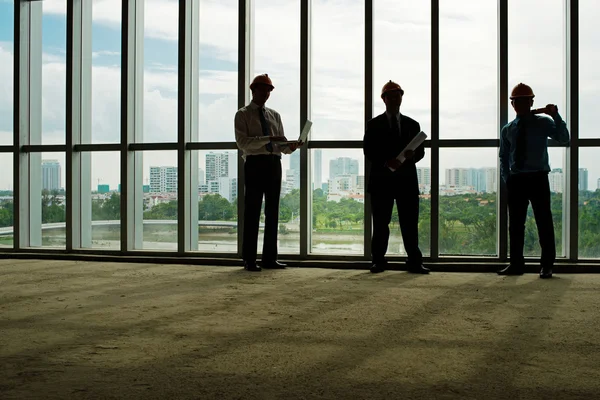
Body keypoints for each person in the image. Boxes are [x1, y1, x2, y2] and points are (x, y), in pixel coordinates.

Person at [498, 83, 570, 278]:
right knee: (516, 225)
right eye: (516, 101)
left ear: (531, 102)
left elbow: (564, 138)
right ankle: (516, 265)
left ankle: (547, 265)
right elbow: (503, 156)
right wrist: (508, 178)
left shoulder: (543, 122)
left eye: (524, 100)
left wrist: (555, 115)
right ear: (512, 104)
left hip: (538, 178)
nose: (520, 104)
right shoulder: (508, 129)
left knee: (544, 222)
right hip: (517, 181)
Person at [235, 74, 301, 272]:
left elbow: (280, 146)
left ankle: (269, 259)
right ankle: (249, 260)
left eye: (269, 91)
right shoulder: (242, 114)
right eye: (263, 90)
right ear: (253, 90)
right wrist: (268, 138)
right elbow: (243, 143)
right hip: (254, 164)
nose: (266, 94)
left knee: (273, 211)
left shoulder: (275, 115)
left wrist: (291, 147)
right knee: (252, 211)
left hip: (274, 163)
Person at [363, 80, 429, 274]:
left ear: (401, 97)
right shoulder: (373, 125)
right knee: (381, 224)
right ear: (383, 99)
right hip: (382, 181)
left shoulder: (413, 124)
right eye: (390, 95)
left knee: (409, 224)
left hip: (406, 181)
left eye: (397, 95)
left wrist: (412, 156)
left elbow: (421, 152)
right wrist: (386, 161)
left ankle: (414, 262)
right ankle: (378, 261)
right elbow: (368, 150)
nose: (394, 98)